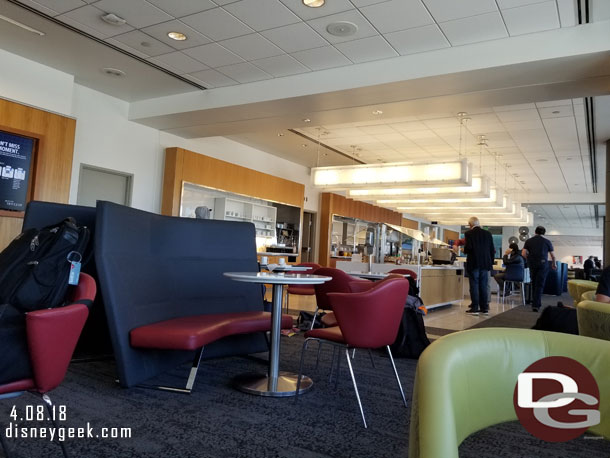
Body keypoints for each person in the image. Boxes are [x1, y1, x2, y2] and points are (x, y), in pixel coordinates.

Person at [463, 216, 495, 316]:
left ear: (470, 224)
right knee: (484, 285)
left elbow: (469, 248)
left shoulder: (469, 234)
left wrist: (464, 250)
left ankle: (475, 307)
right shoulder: (488, 234)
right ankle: (484, 308)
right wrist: (491, 263)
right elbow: (492, 250)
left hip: (474, 263)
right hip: (485, 264)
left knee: (474, 285)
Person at [522, 226, 556, 312]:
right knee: (540, 284)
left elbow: (523, 253)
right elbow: (553, 255)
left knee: (534, 283)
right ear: (544, 233)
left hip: (532, 264)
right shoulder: (547, 241)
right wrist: (553, 264)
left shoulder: (528, 241)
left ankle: (536, 303)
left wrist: (528, 259)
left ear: (535, 231)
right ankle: (536, 305)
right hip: (543, 264)